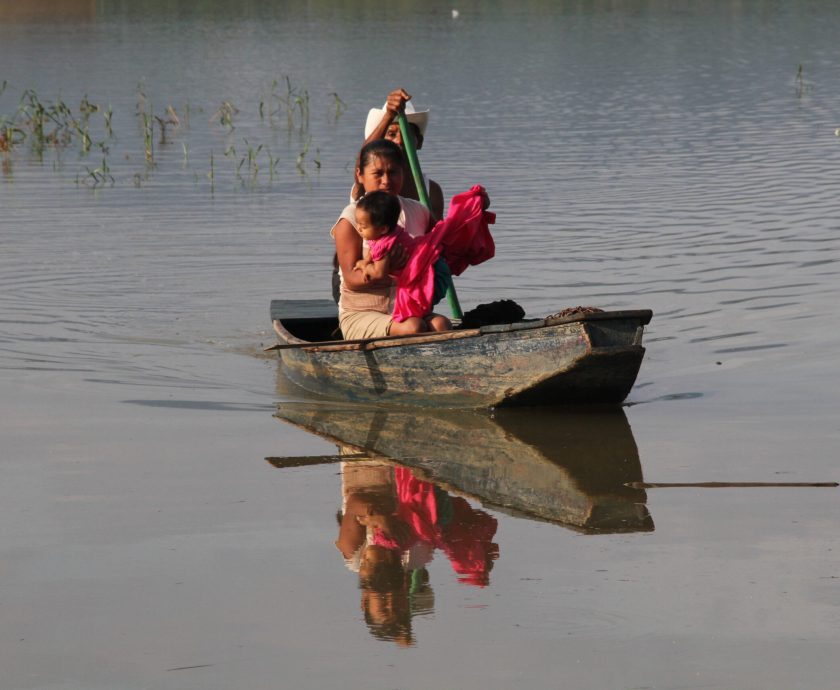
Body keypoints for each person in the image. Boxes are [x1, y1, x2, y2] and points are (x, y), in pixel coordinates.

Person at [331, 138, 453, 339]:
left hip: (407, 309)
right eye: (378, 174)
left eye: (393, 172)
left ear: (403, 174)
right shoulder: (351, 219)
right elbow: (352, 281)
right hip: (362, 313)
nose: (386, 180)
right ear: (360, 176)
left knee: (442, 324)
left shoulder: (419, 211)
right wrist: (385, 270)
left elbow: (444, 243)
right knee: (414, 328)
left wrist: (474, 210)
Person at [353, 187, 496, 324]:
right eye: (358, 224)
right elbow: (372, 250)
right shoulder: (389, 232)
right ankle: (425, 317)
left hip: (432, 274)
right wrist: (367, 260)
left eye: (363, 226)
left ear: (383, 228)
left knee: (414, 310)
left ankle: (424, 317)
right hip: (433, 263)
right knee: (415, 310)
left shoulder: (385, 246)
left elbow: (379, 273)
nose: (358, 228)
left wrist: (363, 266)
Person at [354, 88, 444, 221]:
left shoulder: (431, 191)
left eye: (407, 134)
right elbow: (364, 160)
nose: (400, 141)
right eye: (391, 134)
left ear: (418, 142)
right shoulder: (368, 180)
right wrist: (388, 116)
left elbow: (438, 235)